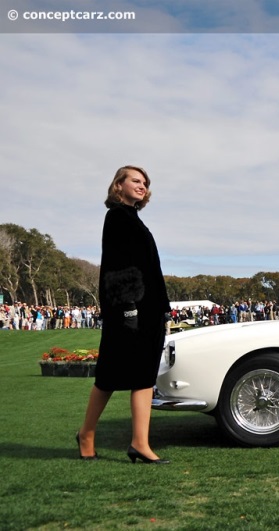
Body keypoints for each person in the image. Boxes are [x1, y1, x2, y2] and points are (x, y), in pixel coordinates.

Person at [76, 165, 171, 464]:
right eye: (135, 180)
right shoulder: (116, 217)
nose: (142, 186)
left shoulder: (133, 218)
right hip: (129, 310)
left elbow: (149, 269)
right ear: (119, 185)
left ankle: (140, 444)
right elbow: (118, 266)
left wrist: (163, 309)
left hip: (149, 310)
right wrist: (128, 308)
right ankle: (86, 434)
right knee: (108, 376)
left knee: (143, 377)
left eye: (144, 182)